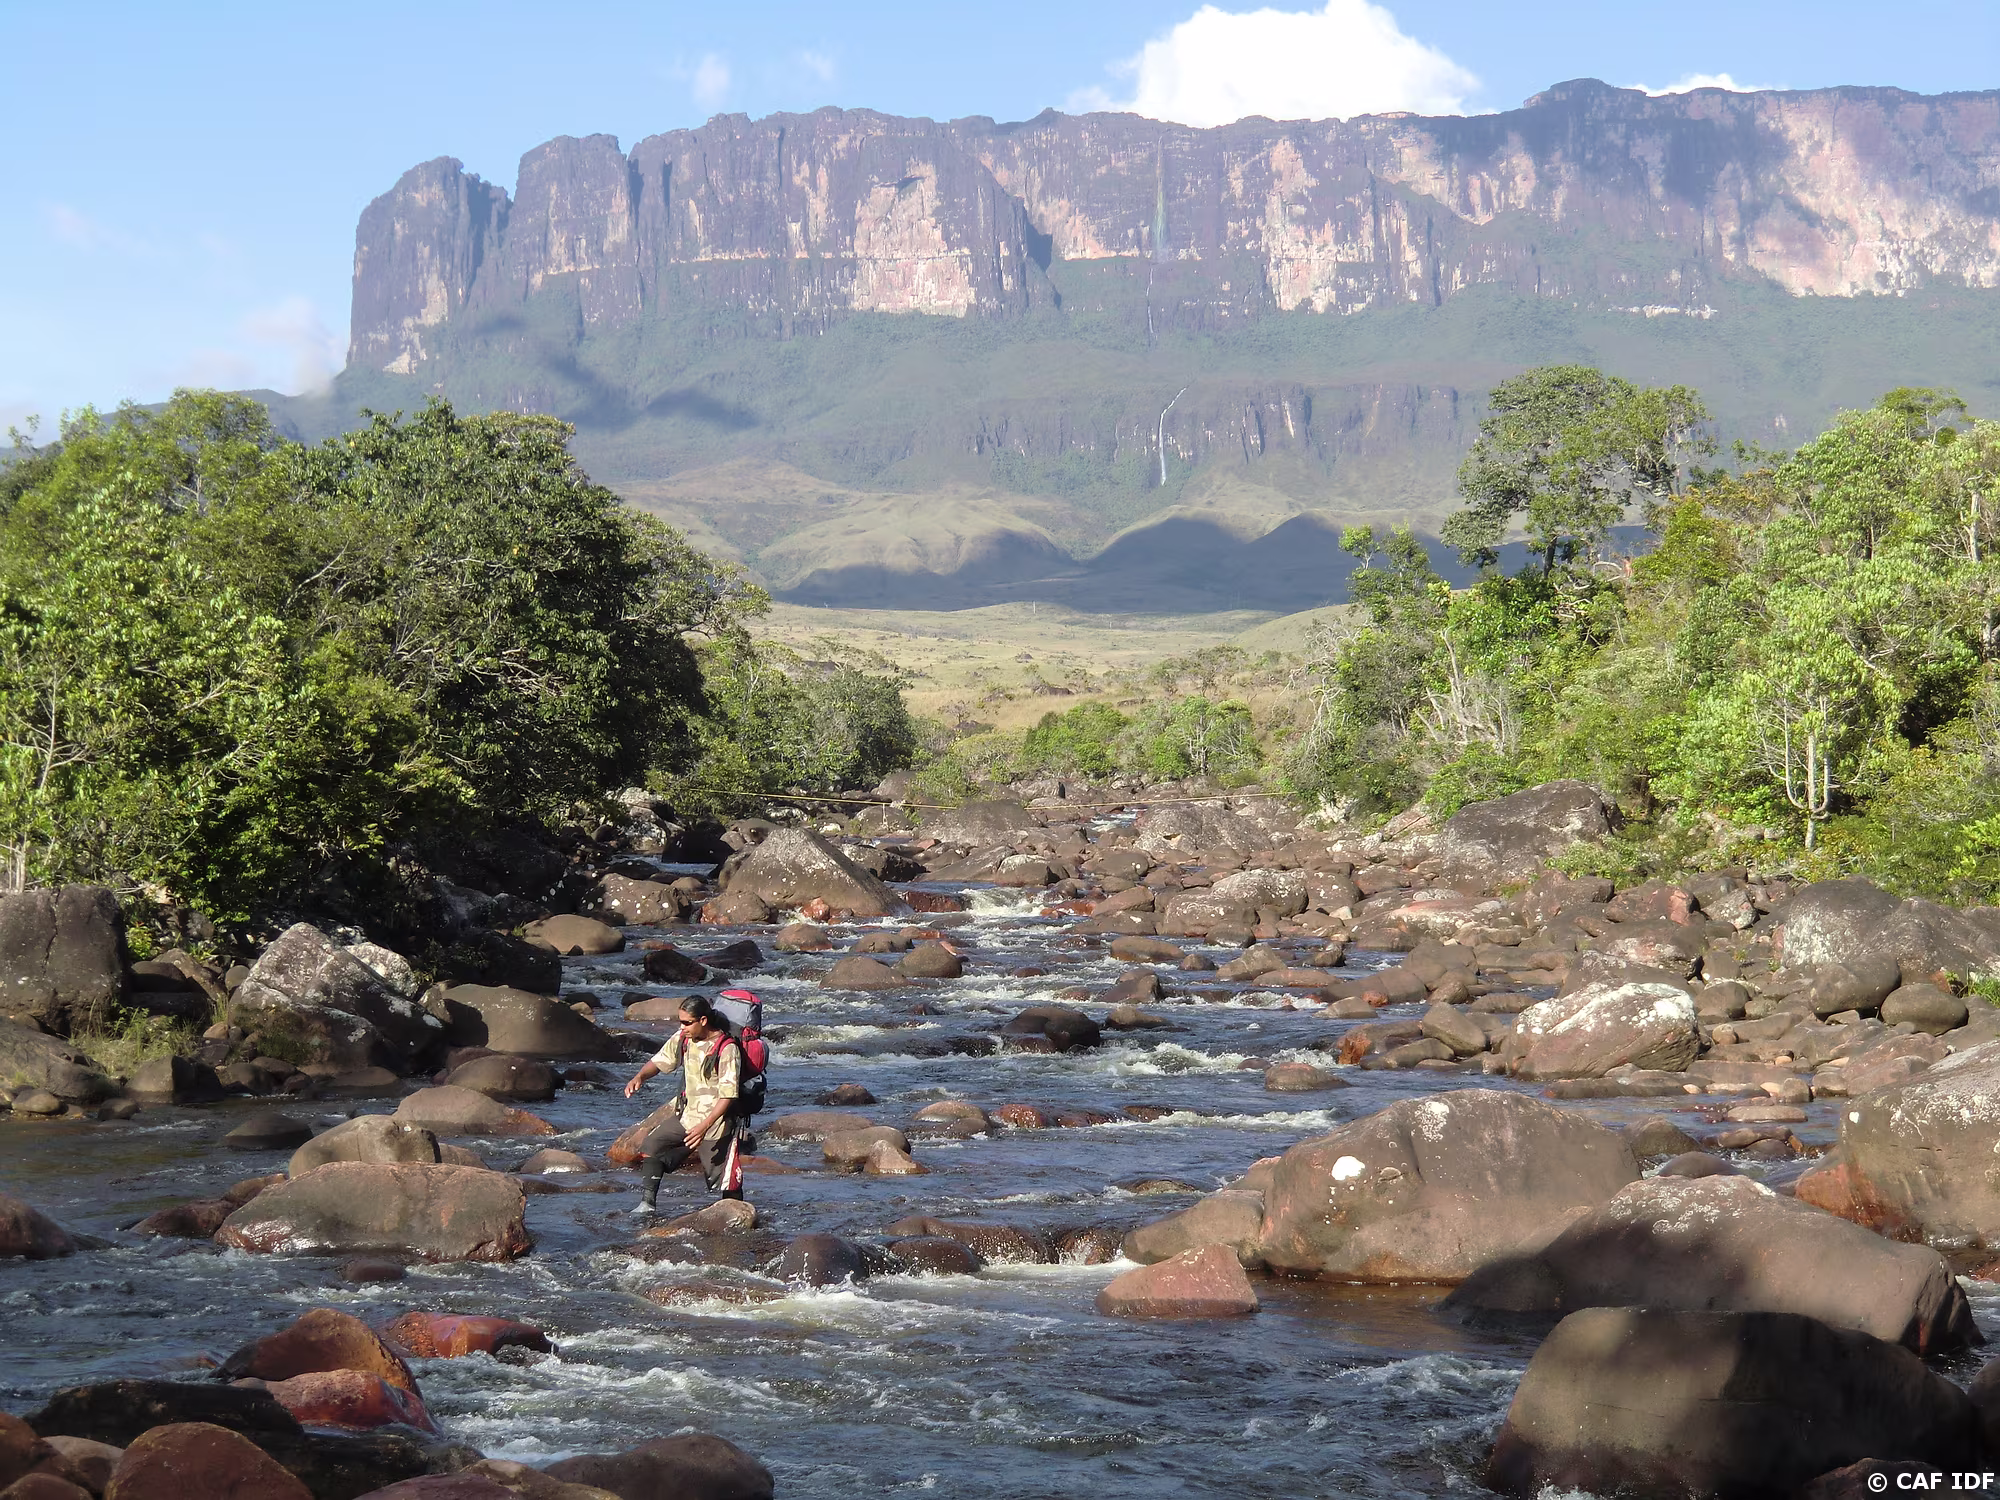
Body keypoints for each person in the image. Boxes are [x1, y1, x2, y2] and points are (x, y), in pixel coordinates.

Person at [622, 994, 746, 1214]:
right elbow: (660, 1061)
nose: (682, 1027)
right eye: (680, 1022)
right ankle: (647, 1204)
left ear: (703, 1020)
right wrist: (640, 1076)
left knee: (723, 1180)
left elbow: (728, 1096)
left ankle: (739, 1216)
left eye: (687, 1022)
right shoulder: (684, 1038)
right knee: (652, 1145)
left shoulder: (727, 1049)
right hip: (688, 1114)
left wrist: (704, 1127)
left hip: (716, 1122)